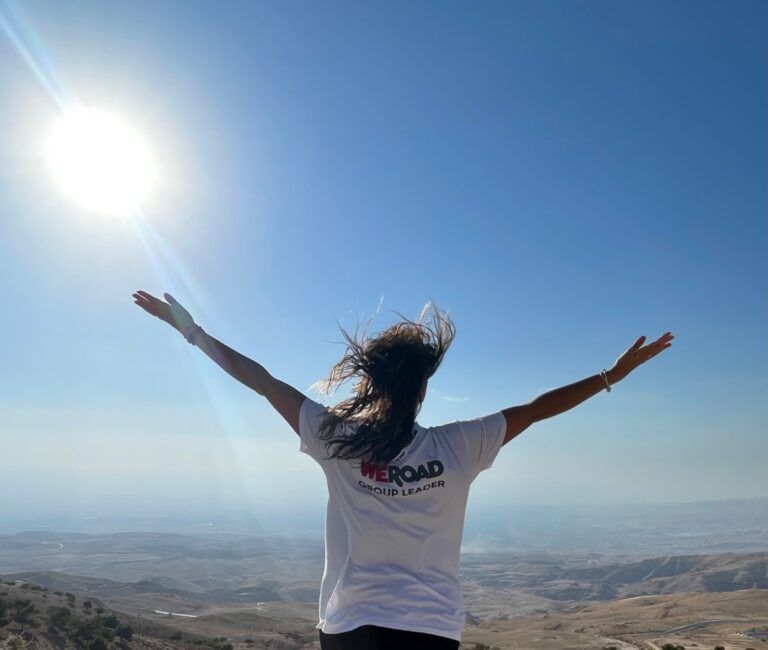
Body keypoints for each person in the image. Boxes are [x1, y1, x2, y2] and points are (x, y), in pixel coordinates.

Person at [133, 291, 673, 650]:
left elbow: (262, 380)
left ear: (373, 383)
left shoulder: (337, 440)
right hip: (431, 630)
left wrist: (193, 331)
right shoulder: (461, 446)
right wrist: (610, 376)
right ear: (422, 389)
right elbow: (536, 408)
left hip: (348, 627)